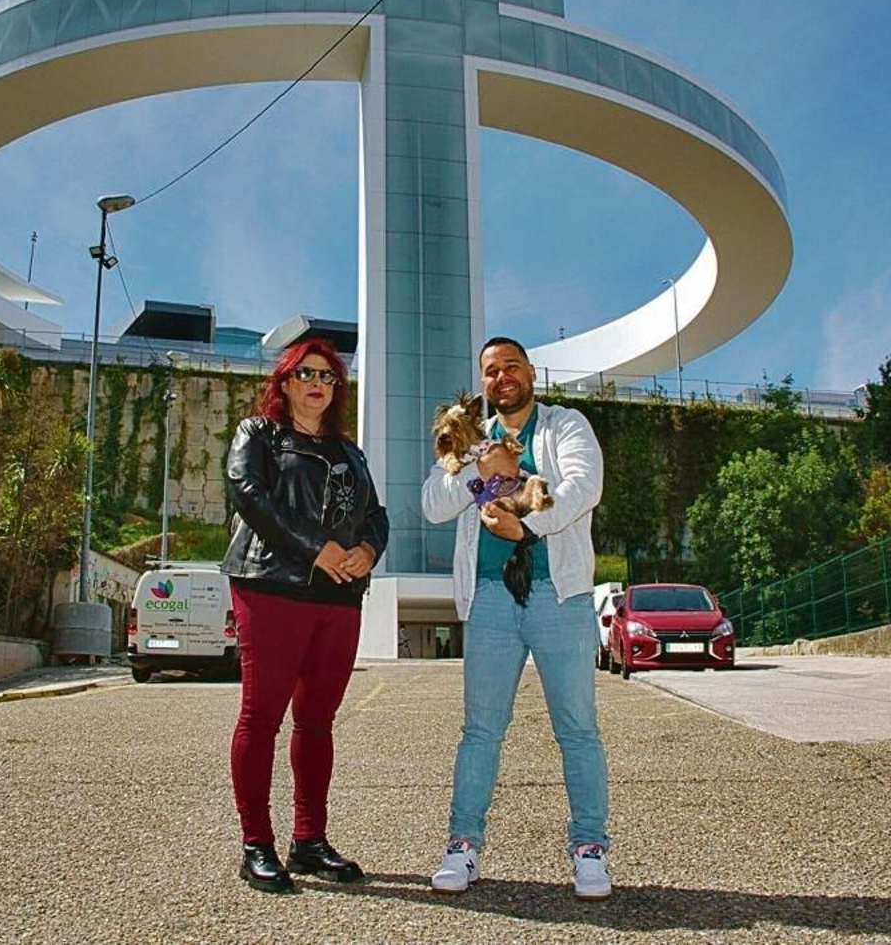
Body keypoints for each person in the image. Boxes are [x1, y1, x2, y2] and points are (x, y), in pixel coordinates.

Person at [421, 336, 611, 901]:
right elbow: (434, 503)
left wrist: (526, 527)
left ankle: (589, 848)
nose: (501, 377)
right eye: (490, 371)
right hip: (490, 598)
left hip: (559, 593)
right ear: (481, 383)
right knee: (481, 729)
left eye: (511, 367)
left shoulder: (566, 425)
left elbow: (583, 487)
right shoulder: (469, 439)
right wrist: (485, 472)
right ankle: (463, 844)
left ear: (530, 372)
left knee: (577, 728)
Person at [221, 337, 389, 894]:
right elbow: (249, 493)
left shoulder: (351, 452)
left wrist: (367, 551)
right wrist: (317, 547)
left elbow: (375, 515)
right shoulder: (259, 435)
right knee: (261, 715)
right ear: (286, 381)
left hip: (339, 597)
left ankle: (309, 841)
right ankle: (256, 845)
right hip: (271, 585)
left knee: (317, 720)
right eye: (306, 373)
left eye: (329, 376)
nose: (318, 383)